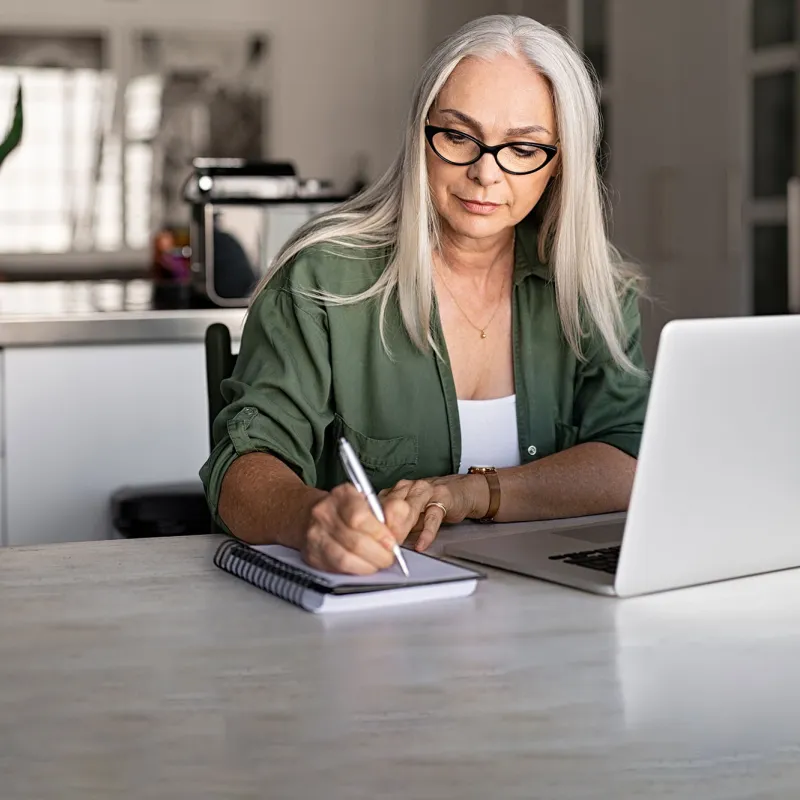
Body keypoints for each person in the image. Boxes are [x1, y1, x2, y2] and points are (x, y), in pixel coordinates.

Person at [200, 14, 651, 575]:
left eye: (523, 147)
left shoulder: (593, 288)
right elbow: (242, 467)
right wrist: (309, 517)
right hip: (372, 617)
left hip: (554, 606)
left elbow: (631, 459)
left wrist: (469, 493)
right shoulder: (321, 277)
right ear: (421, 134)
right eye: (460, 136)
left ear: (560, 164)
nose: (486, 174)